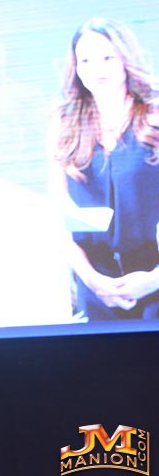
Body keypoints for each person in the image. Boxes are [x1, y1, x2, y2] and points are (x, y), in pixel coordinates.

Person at [50, 17, 159, 320]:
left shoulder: (153, 116)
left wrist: (152, 281)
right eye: (85, 60)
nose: (96, 69)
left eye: (107, 58)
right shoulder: (64, 122)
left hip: (152, 278)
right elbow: (59, 208)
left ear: (125, 58)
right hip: (95, 284)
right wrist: (92, 280)